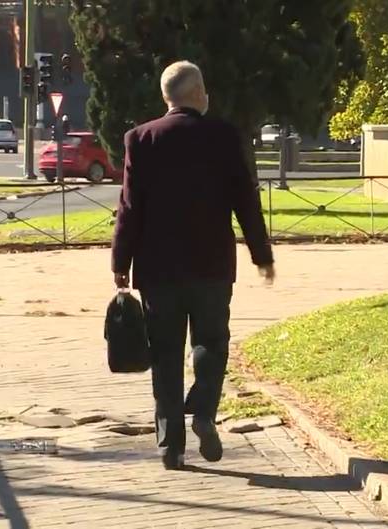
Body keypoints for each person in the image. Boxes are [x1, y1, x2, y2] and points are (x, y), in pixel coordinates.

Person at [112, 61, 276, 470]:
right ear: (200, 93)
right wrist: (262, 255)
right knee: (212, 343)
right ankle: (203, 410)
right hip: (212, 265)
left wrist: (121, 262)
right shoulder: (223, 136)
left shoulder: (141, 138)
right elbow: (245, 201)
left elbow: (130, 207)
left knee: (165, 353)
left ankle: (170, 445)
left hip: (157, 268)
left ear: (166, 98)